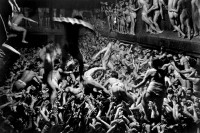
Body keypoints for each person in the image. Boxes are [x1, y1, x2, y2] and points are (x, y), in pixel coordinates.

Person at [132, 58, 169, 122]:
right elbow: (166, 67)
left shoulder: (150, 71)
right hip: (161, 90)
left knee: (143, 100)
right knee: (159, 108)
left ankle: (147, 115)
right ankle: (158, 120)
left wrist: (135, 86)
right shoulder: (163, 71)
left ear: (152, 64)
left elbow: (143, 82)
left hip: (152, 88)